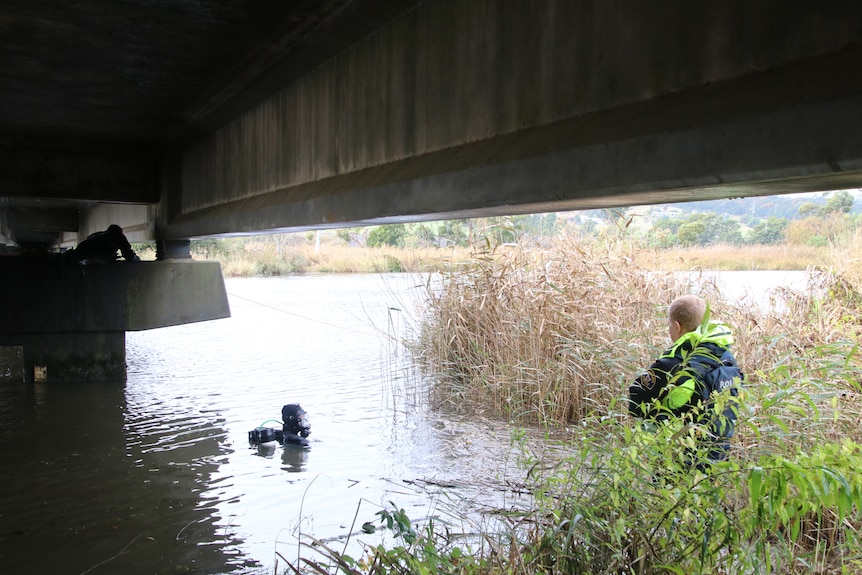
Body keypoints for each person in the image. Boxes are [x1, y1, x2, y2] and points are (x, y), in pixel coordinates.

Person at [628, 295, 743, 469]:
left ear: (676, 326)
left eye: (669, 325)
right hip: (717, 455)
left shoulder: (675, 363)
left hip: (679, 458)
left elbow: (636, 400)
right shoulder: (726, 357)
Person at [68, 224, 140, 263]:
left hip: (84, 255)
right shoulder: (118, 236)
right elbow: (128, 254)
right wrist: (136, 260)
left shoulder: (97, 235)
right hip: (91, 255)